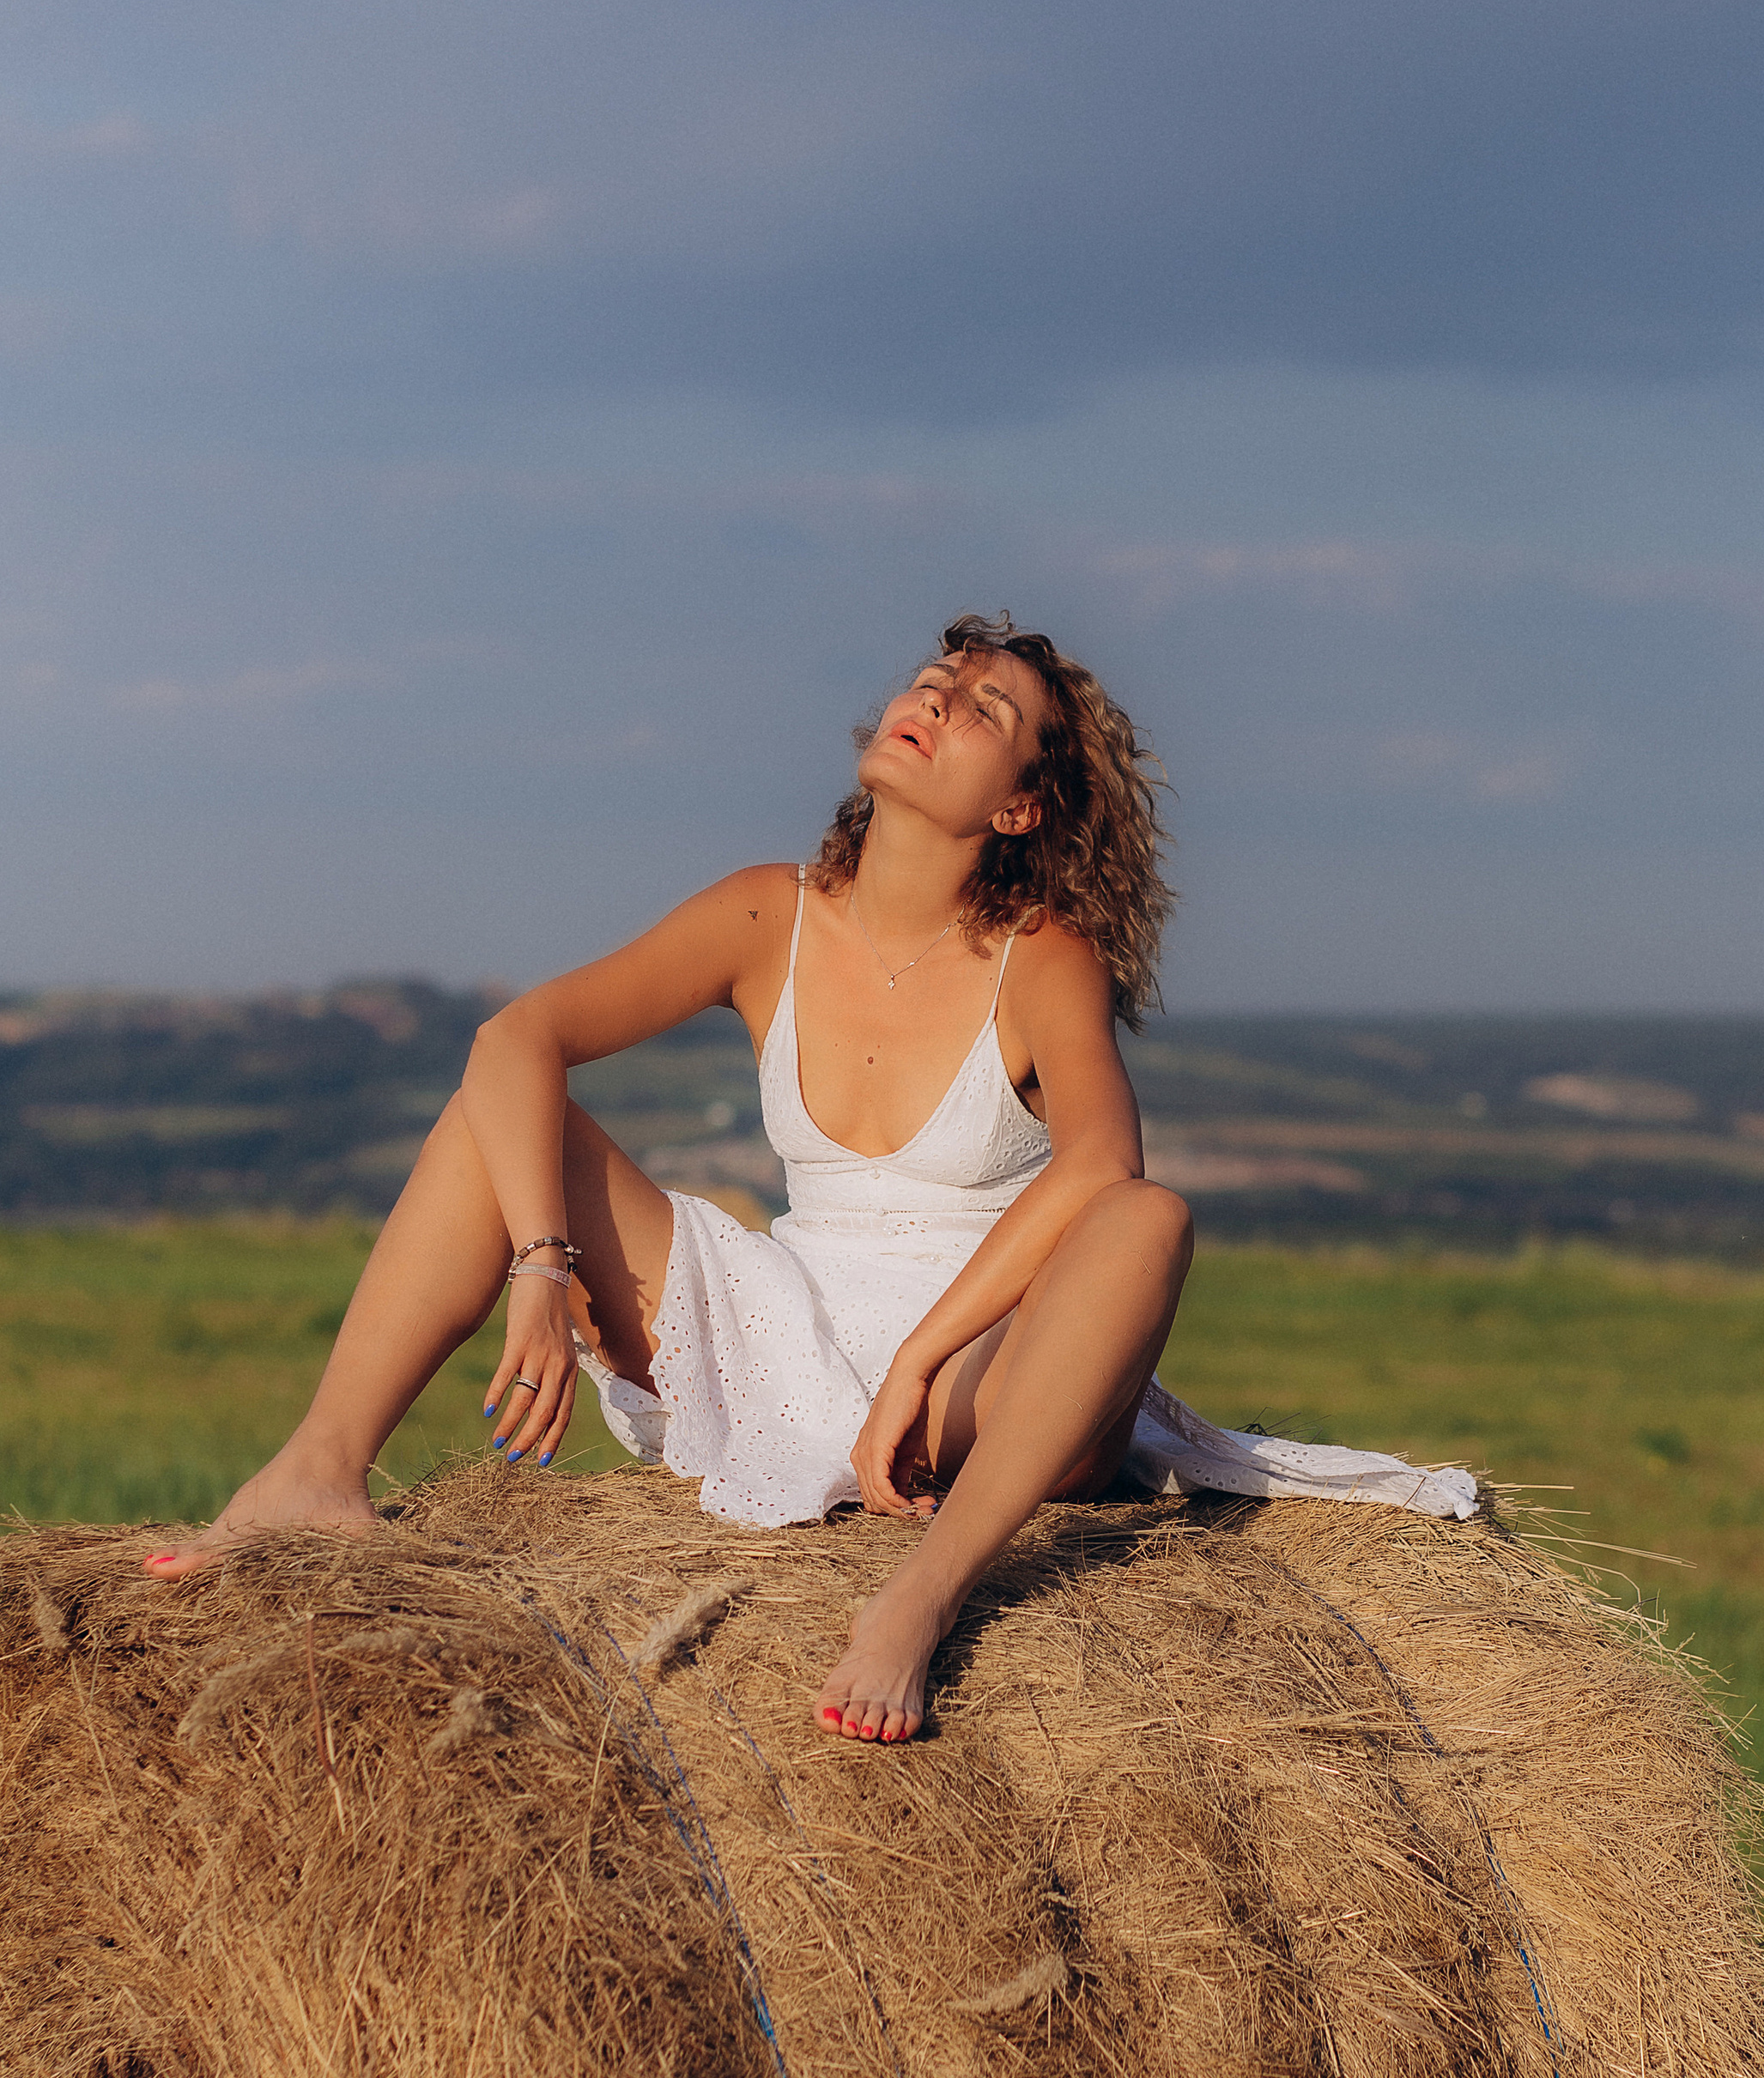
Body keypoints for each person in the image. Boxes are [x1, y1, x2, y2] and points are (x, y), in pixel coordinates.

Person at [145, 615, 1474, 1740]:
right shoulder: (767, 914)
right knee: (502, 1117)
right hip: (781, 1317)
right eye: (935, 682)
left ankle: (926, 1595)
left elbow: (1100, 1168)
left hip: (981, 1366)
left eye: (983, 709)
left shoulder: (1042, 955)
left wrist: (918, 1360)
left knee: (1148, 1219)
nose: (936, 702)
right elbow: (516, 1041)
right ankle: (317, 1470)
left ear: (1019, 806)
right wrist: (541, 1269)